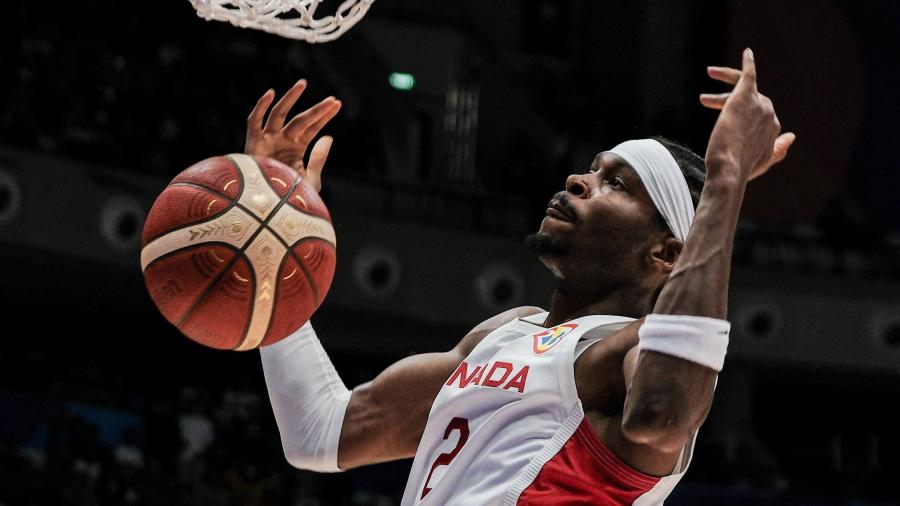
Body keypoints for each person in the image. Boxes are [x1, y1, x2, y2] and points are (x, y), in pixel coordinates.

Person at [246, 49, 795, 504]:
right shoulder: (502, 335)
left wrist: (726, 180)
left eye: (618, 186)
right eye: (594, 169)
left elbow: (662, 416)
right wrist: (276, 251)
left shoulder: (629, 354)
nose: (580, 180)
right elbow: (320, 432)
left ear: (666, 254)